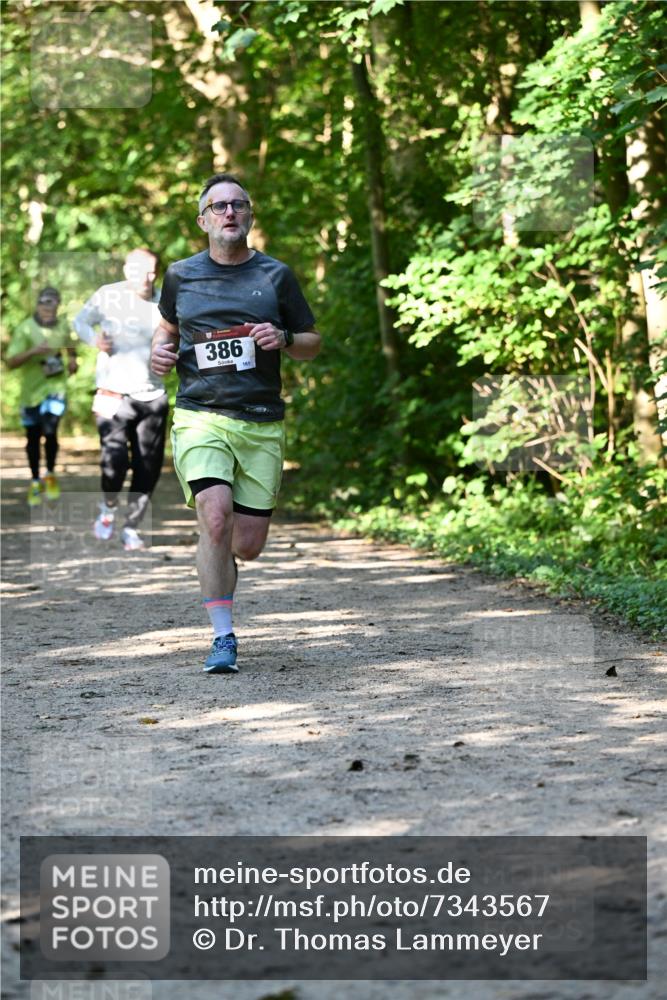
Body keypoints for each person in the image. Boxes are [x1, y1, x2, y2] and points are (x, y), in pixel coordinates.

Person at [151, 173, 320, 674]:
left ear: (249, 216)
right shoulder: (181, 275)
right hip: (200, 414)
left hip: (261, 421)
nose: (229, 213)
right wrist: (157, 357)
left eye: (238, 205)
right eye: (218, 206)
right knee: (215, 516)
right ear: (203, 219)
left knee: (247, 544)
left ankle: (219, 559)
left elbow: (313, 343)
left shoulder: (276, 276)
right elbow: (166, 331)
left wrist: (285, 337)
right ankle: (223, 636)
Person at [73, 248, 168, 551]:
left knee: (147, 467)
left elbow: (182, 336)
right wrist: (94, 340)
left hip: (153, 396)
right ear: (128, 271)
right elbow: (80, 322)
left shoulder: (166, 301)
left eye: (153, 271)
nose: (147, 277)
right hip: (112, 394)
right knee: (114, 463)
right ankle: (107, 508)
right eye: (141, 270)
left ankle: (131, 528)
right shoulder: (107, 295)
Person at [5, 287, 77, 506]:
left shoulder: (63, 326)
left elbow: (70, 347)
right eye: (45, 302)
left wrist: (73, 359)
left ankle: (50, 474)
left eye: (54, 303)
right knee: (33, 437)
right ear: (38, 304)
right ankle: (36, 480)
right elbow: (10, 362)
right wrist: (33, 351)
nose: (49, 307)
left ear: (58, 305)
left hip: (56, 388)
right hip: (31, 393)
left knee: (51, 430)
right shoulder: (25, 328)